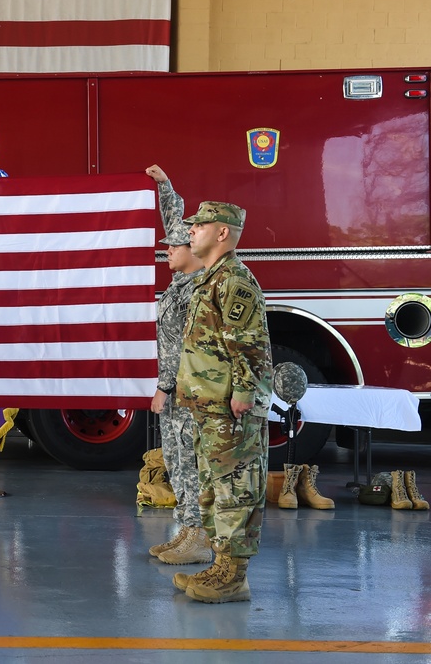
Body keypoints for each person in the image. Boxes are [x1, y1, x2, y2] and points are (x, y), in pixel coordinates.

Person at [171, 201, 273, 604]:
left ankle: (235, 576)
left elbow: (250, 346)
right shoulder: (211, 279)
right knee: (215, 490)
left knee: (237, 489)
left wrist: (245, 395)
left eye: (199, 225)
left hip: (231, 407)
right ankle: (220, 566)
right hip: (209, 408)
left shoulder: (234, 281)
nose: (191, 231)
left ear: (223, 233)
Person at [144, 165, 210, 566]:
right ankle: (185, 529)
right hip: (175, 396)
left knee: (190, 462)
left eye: (173, 247)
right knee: (175, 460)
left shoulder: (196, 291)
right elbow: (176, 224)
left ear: (194, 251)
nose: (166, 250)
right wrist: (165, 186)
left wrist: (164, 387)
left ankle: (199, 535)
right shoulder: (180, 284)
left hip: (186, 393)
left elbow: (181, 349)